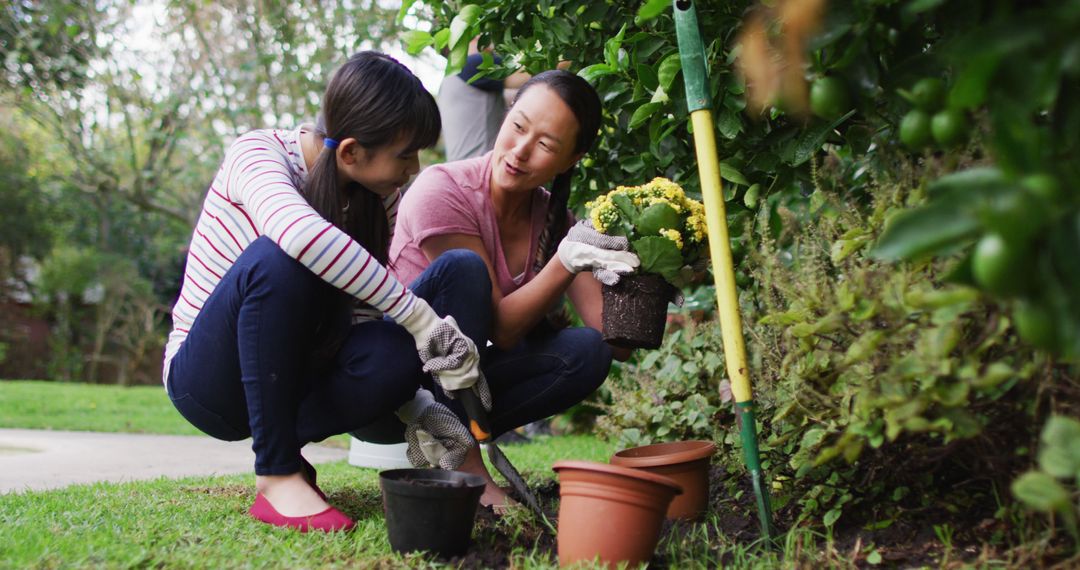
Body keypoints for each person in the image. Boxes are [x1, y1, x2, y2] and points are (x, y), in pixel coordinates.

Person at [163, 51, 486, 533]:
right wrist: (421, 320)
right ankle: (277, 472)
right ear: (352, 151)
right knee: (281, 258)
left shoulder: (380, 198)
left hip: (295, 379)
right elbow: (297, 235)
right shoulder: (258, 155)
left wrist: (422, 406)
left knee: (407, 333)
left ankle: (295, 448)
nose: (415, 168)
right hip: (211, 383)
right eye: (405, 154)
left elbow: (358, 320)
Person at [384, 69, 640, 509]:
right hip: (395, 382)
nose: (519, 152)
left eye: (544, 145)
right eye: (518, 127)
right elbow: (500, 328)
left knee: (587, 352)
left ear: (570, 160)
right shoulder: (441, 189)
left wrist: (650, 270)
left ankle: (451, 438)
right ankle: (463, 460)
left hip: (463, 382)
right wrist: (566, 259)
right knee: (464, 270)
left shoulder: (555, 220)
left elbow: (612, 341)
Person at [437, 42, 533, 162]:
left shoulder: (449, 81)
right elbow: (535, 72)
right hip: (481, 170)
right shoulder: (471, 64)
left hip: (462, 170)